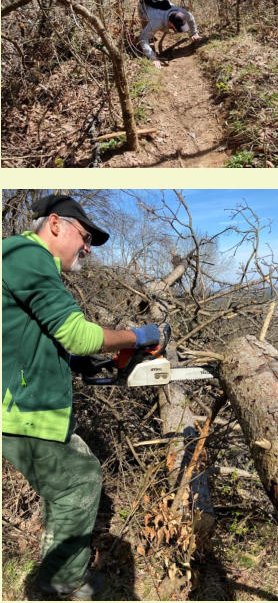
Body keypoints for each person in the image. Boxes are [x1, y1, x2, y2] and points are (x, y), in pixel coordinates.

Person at [2, 194, 164, 600]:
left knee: (70, 482)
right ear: (55, 224)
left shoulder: (19, 261)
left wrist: (74, 363)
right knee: (78, 482)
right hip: (24, 409)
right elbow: (76, 332)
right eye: (85, 235)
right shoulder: (27, 255)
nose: (88, 247)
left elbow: (28, 337)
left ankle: (56, 573)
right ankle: (62, 584)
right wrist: (138, 336)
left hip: (28, 404)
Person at [136, 0, 201, 68]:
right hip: (144, 5)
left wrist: (194, 33)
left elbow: (191, 18)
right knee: (147, 33)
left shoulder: (181, 12)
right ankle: (149, 39)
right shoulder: (156, 22)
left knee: (159, 29)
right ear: (170, 23)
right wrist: (153, 58)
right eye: (176, 28)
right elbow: (143, 38)